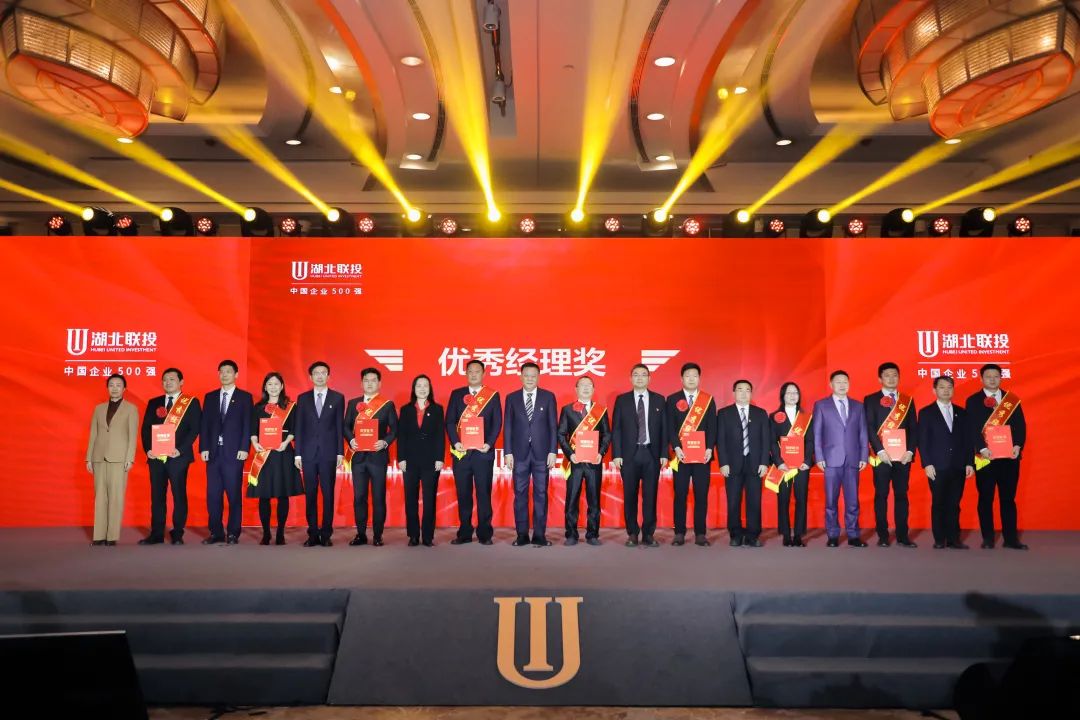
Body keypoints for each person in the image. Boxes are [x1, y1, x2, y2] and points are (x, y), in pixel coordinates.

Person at [965, 363, 1027, 550]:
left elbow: (1020, 426)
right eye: (988, 376)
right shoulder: (973, 400)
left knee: (1008, 499)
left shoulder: (1011, 400)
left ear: (1001, 377)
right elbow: (972, 428)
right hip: (984, 458)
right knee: (985, 498)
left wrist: (1017, 445)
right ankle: (988, 538)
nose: (992, 380)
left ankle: (1011, 539)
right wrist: (982, 448)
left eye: (996, 376)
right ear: (981, 379)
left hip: (1009, 458)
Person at [139, 367, 202, 545]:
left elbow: (194, 429)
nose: (168, 382)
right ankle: (157, 533)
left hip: (178, 457)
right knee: (157, 495)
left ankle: (177, 533)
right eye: (165, 379)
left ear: (181, 382)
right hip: (156, 457)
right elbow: (146, 429)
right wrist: (148, 449)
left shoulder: (191, 403)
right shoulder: (154, 402)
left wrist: (180, 449)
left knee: (178, 494)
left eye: (172, 379)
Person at [446, 359, 503, 545]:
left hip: (483, 453)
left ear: (483, 374)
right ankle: (464, 533)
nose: (473, 374)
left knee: (483, 494)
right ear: (466, 373)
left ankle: (485, 534)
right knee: (463, 494)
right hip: (461, 454)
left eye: (477, 371)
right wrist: (455, 442)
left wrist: (488, 443)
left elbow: (497, 422)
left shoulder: (492, 395)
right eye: (470, 371)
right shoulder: (457, 394)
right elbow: (449, 421)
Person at [611, 364, 667, 547]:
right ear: (630, 378)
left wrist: (664, 453)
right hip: (629, 455)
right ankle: (632, 533)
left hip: (652, 454)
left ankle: (648, 534)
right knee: (630, 496)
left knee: (650, 496)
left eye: (643, 375)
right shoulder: (622, 400)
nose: (640, 378)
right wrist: (617, 454)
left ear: (649, 378)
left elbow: (664, 429)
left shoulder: (659, 400)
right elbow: (616, 429)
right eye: (636, 375)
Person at [863, 362, 918, 548]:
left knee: (902, 495)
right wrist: (879, 450)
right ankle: (883, 535)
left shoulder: (907, 401)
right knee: (881, 495)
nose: (891, 378)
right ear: (880, 379)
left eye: (895, 375)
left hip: (903, 457)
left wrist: (910, 451)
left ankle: (903, 535)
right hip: (881, 457)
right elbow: (869, 427)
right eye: (887, 375)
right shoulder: (870, 400)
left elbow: (914, 428)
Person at [504, 362, 558, 547]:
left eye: (533, 376)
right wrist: (508, 452)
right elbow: (508, 426)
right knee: (520, 494)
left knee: (541, 493)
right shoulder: (511, 398)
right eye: (526, 375)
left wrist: (553, 451)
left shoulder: (548, 397)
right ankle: (521, 535)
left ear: (538, 377)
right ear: (521, 376)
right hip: (519, 454)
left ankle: (540, 535)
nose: (529, 379)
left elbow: (553, 426)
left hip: (542, 454)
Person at [812, 370, 868, 547]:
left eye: (845, 381)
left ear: (849, 384)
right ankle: (833, 535)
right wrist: (819, 456)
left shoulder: (858, 406)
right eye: (838, 382)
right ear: (831, 384)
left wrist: (864, 456)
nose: (842, 385)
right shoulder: (821, 405)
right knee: (831, 501)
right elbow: (817, 433)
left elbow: (863, 433)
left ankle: (853, 535)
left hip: (853, 459)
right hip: (830, 460)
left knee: (853, 501)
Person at [199, 360, 253, 545]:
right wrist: (204, 447)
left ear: (236, 374)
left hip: (234, 453)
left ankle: (233, 533)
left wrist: (244, 448)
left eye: (228, 371)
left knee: (233, 494)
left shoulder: (245, 397)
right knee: (213, 495)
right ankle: (216, 532)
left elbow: (247, 424)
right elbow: (205, 424)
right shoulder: (210, 397)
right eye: (221, 371)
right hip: (213, 453)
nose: (224, 375)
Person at [247, 372, 303, 545]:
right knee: (264, 496)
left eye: (276, 384)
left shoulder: (290, 407)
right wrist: (255, 443)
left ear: (282, 386)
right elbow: (253, 430)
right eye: (270, 384)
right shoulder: (258, 407)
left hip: (282, 453)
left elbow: (295, 429)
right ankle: (266, 533)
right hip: (264, 455)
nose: (273, 387)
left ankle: (280, 533)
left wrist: (286, 442)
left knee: (282, 494)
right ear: (265, 387)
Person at [344, 368, 398, 547]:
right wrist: (351, 440)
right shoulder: (353, 403)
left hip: (378, 457)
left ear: (379, 383)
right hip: (358, 458)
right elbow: (345, 426)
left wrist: (385, 442)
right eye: (366, 380)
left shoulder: (387, 405)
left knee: (378, 497)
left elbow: (395, 429)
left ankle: (377, 535)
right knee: (359, 497)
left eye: (373, 380)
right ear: (361, 383)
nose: (369, 383)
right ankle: (361, 534)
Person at [918, 376, 974, 549]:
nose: (946, 390)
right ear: (934, 390)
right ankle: (939, 539)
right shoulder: (926, 413)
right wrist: (927, 464)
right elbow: (923, 441)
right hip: (937, 466)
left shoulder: (962, 413)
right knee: (939, 503)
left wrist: (969, 462)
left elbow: (968, 440)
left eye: (949, 387)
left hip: (958, 465)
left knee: (954, 504)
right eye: (942, 387)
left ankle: (953, 539)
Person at [666, 362, 718, 546]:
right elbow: (670, 427)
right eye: (688, 376)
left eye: (695, 376)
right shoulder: (672, 399)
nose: (691, 379)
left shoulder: (708, 400)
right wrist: (676, 447)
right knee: (680, 494)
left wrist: (709, 448)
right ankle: (679, 532)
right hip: (680, 456)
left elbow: (712, 427)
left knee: (701, 495)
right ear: (682, 379)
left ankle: (700, 533)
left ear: (699, 378)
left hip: (702, 456)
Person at [294, 361, 344, 547]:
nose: (320, 376)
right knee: (311, 495)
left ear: (329, 376)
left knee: (328, 494)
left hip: (329, 454)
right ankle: (313, 533)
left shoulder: (337, 398)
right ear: (311, 377)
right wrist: (297, 454)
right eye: (316, 373)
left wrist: (340, 453)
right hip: (307, 454)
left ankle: (326, 534)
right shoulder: (303, 398)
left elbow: (339, 427)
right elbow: (299, 427)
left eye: (323, 373)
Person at [557, 376, 611, 546]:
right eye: (582, 385)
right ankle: (571, 534)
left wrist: (601, 453)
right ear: (576, 389)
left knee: (594, 500)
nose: (586, 388)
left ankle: (592, 534)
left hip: (594, 462)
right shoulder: (567, 410)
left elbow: (607, 434)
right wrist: (570, 454)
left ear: (593, 389)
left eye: (589, 385)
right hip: (574, 462)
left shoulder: (600, 410)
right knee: (572, 499)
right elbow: (561, 434)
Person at [716, 379, 771, 547]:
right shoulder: (724, 413)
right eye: (740, 390)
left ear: (751, 393)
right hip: (732, 465)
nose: (744, 393)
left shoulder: (760, 413)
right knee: (733, 501)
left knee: (754, 501)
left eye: (747, 390)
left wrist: (764, 462)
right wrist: (723, 463)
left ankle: (753, 535)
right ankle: (735, 534)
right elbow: (720, 440)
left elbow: (766, 440)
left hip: (755, 464)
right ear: (734, 393)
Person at [85, 373, 138, 546]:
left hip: (119, 458)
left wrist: (130, 458)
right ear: (107, 388)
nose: (114, 388)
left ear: (124, 389)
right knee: (99, 497)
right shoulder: (99, 409)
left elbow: (132, 436)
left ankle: (112, 536)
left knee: (116, 497)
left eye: (118, 385)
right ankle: (99, 535)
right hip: (99, 457)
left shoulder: (131, 409)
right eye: (111, 385)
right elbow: (93, 434)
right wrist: (89, 458)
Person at [397, 374, 445, 546]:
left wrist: (439, 458)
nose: (422, 389)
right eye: (419, 385)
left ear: (430, 389)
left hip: (430, 460)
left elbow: (440, 435)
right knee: (410, 498)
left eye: (425, 385)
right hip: (409, 460)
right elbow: (401, 435)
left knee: (429, 499)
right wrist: (401, 458)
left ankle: (428, 536)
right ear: (414, 389)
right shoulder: (406, 409)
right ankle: (413, 535)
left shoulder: (437, 409)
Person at [769, 382, 813, 547]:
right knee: (783, 499)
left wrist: (807, 461)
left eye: (795, 392)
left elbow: (810, 441)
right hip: (783, 466)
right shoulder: (774, 416)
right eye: (789, 393)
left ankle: (799, 534)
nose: (793, 395)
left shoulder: (806, 417)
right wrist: (779, 462)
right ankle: (786, 534)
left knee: (801, 499)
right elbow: (772, 442)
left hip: (802, 466)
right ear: (782, 395)